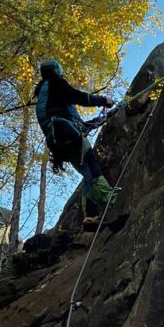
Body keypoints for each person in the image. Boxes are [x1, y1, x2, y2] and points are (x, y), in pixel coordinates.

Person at [34, 59, 118, 222]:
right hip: (65, 131)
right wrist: (103, 100)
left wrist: (109, 115)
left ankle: (91, 216)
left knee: (88, 173)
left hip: (58, 142)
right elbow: (77, 96)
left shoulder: (46, 96)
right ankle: (110, 198)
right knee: (91, 164)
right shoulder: (56, 83)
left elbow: (81, 125)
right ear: (57, 70)